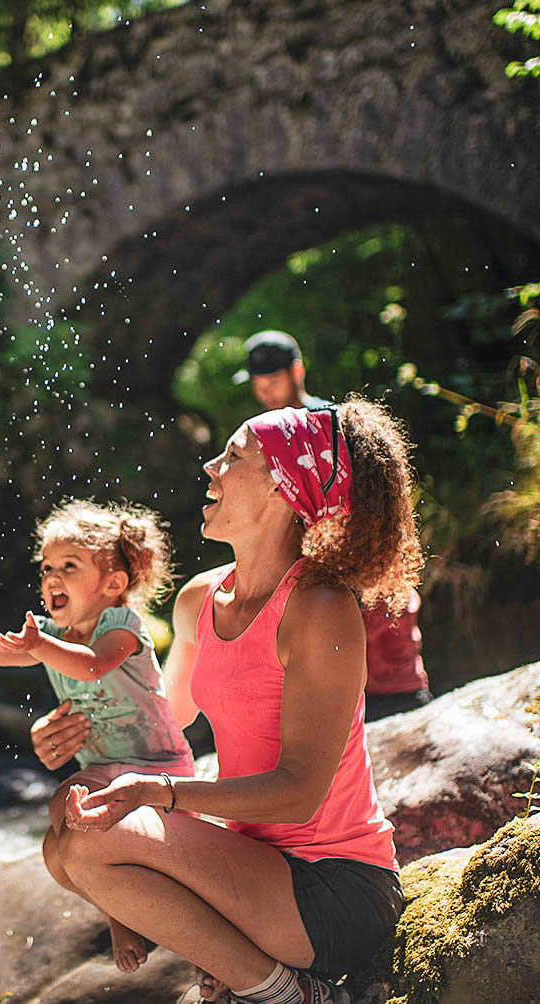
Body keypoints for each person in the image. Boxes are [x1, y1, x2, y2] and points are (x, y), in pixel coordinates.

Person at [33, 397, 422, 1004]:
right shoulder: (197, 599)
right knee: (65, 837)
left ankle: (284, 992)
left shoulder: (320, 608)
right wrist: (77, 724)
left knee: (92, 841)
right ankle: (253, 972)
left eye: (233, 456)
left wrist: (159, 793)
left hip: (334, 890)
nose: (210, 467)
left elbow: (299, 793)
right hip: (248, 867)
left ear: (283, 487)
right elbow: (168, 719)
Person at [0, 499, 195, 973]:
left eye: (69, 567)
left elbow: (92, 666)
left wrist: (41, 646)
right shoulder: (50, 636)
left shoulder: (122, 626)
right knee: (55, 855)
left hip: (157, 767)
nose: (52, 578)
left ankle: (130, 915)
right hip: (107, 771)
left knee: (60, 803)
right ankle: (119, 912)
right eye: (48, 567)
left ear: (113, 584)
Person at [234, 329, 432, 719]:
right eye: (258, 385)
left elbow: (376, 504)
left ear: (298, 371)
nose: (266, 393)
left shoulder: (334, 427)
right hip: (303, 571)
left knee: (385, 660)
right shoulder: (263, 439)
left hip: (352, 560)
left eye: (273, 381)